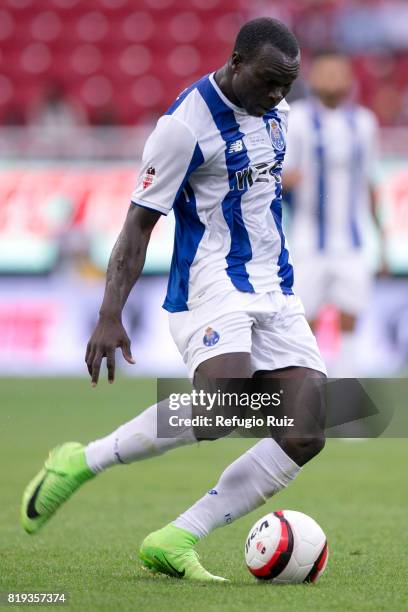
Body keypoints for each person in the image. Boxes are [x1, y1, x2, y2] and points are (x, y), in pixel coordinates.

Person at [21, 18, 327, 582]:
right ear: (235, 62)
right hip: (211, 284)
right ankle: (80, 461)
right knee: (223, 403)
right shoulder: (183, 127)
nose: (276, 94)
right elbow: (138, 227)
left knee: (307, 429)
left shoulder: (278, 113)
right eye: (266, 81)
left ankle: (178, 536)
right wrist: (109, 313)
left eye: (286, 84)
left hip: (276, 290)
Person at [283, 50, 385, 376]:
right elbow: (274, 177)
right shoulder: (295, 118)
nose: (332, 80)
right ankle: (302, 403)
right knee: (302, 323)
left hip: (351, 244)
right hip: (306, 242)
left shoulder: (365, 123)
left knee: (351, 320)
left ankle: (346, 403)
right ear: (312, 78)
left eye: (338, 73)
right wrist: (288, 180)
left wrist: (382, 243)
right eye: (325, 73)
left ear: (349, 80)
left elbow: (370, 184)